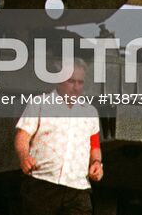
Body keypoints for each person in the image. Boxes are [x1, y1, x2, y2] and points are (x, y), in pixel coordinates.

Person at [14, 58, 103, 215]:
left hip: (78, 189)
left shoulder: (90, 112)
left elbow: (94, 145)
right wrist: (23, 156)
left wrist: (97, 163)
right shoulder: (39, 104)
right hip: (43, 186)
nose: (76, 87)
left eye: (80, 82)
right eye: (71, 81)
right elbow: (22, 136)